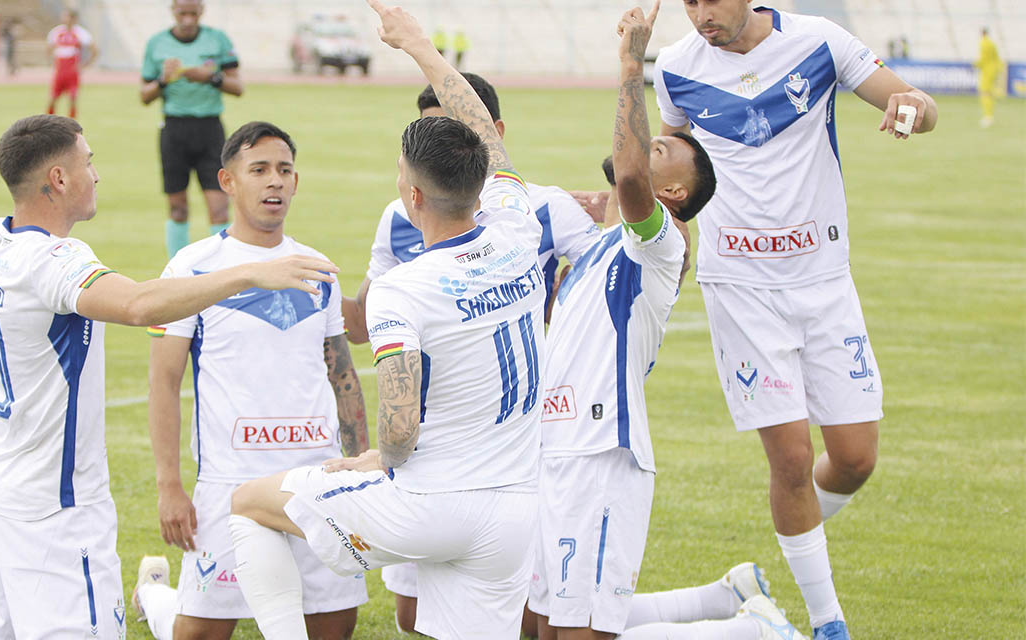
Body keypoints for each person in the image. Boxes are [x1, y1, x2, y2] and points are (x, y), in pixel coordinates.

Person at [0, 114, 338, 640]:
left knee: (6, 626)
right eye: (88, 162)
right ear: (59, 179)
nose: (97, 175)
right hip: (58, 503)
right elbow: (139, 305)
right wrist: (251, 271)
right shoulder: (57, 260)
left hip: (0, 483)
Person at [226, 3, 547, 638]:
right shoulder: (518, 227)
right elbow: (485, 131)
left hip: (428, 505)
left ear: (413, 196)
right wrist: (419, 46)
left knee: (248, 505)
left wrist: (376, 459)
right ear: (483, 184)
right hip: (513, 510)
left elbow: (400, 427)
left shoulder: (403, 288)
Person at [652, 2, 937, 639]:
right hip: (741, 288)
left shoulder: (818, 43)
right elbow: (677, 170)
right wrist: (671, 247)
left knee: (855, 459)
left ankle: (792, 531)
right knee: (791, 460)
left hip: (824, 279)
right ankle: (827, 621)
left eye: (708, 1)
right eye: (688, 3)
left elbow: (920, 102)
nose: (699, 15)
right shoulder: (674, 68)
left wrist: (913, 109)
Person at [529, 4, 804, 640]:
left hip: (602, 455)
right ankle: (728, 605)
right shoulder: (601, 245)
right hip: (556, 449)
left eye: (659, 152)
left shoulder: (659, 243)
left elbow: (627, 174)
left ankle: (749, 635)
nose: (639, 152)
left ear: (672, 195)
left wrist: (632, 65)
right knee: (540, 626)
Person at [338, 71, 599, 635]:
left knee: (543, 606)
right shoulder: (410, 221)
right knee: (415, 615)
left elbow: (605, 282)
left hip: (517, 438)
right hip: (446, 451)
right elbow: (362, 324)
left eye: (451, 134)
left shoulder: (536, 211)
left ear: (484, 138)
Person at [132, 121, 370, 640]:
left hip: (314, 476)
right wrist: (170, 486)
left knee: (332, 629)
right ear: (228, 181)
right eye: (259, 169)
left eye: (284, 170)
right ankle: (154, 592)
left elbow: (343, 376)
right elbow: (164, 382)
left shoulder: (319, 270)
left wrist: (361, 467)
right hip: (230, 482)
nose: (275, 182)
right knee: (197, 634)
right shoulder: (192, 268)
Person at [341, 72, 599, 346]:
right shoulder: (400, 216)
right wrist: (313, 284)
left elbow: (612, 288)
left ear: (494, 134)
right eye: (431, 135)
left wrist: (564, 306)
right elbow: (361, 324)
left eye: (455, 131)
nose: (442, 150)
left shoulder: (546, 207)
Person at [140, 0, 243, 259]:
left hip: (210, 129)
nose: (187, 19)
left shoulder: (217, 39)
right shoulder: (157, 43)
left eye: (193, 13)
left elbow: (238, 87)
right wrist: (163, 79)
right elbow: (144, 95)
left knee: (219, 208)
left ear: (201, 11)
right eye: (182, 13)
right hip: (174, 128)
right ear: (173, 11)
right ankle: (179, 271)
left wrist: (210, 77)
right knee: (177, 208)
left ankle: (220, 268)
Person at [46, 9, 97, 119]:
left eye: (67, 17)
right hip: (60, 70)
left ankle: (72, 122)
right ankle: (49, 121)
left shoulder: (80, 33)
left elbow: (94, 50)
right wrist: (53, 62)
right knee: (53, 97)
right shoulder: (57, 31)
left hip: (72, 70)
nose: (64, 19)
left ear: (74, 19)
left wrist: (84, 65)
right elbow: (49, 48)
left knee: (73, 97)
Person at [974, 27, 1004, 128]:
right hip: (994, 69)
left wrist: (976, 64)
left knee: (985, 93)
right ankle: (997, 95)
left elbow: (983, 58)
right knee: (989, 92)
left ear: (982, 33)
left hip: (987, 70)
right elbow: (996, 57)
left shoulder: (984, 43)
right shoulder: (992, 43)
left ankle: (988, 116)